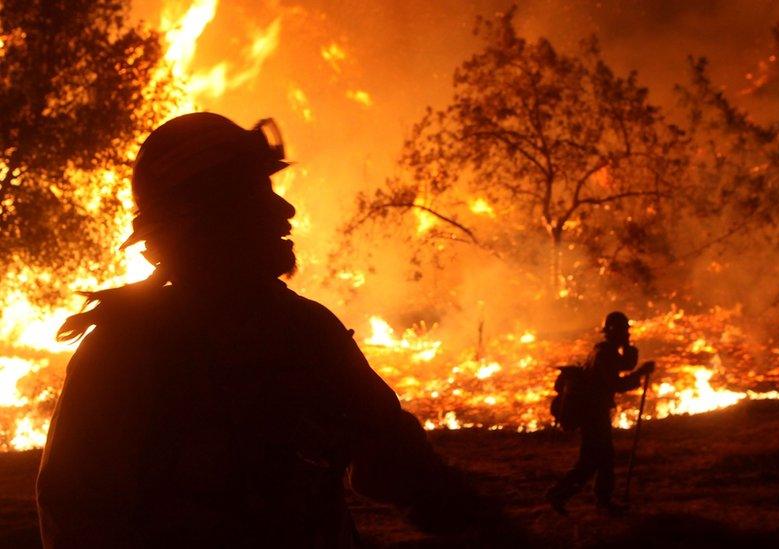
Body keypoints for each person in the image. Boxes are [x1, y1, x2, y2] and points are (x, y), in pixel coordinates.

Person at [36, 113, 470, 547]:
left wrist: (472, 516)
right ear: (207, 220)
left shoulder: (304, 332)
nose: (285, 210)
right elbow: (78, 515)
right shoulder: (127, 353)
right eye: (254, 195)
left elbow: (394, 462)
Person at [546, 311, 654, 515]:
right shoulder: (604, 355)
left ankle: (600, 500)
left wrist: (630, 348)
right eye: (623, 331)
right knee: (593, 459)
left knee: (602, 458)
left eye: (627, 331)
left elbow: (625, 364)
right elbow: (617, 384)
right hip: (592, 412)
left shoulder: (606, 350)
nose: (627, 334)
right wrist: (640, 373)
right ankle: (561, 494)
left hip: (595, 410)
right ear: (613, 332)